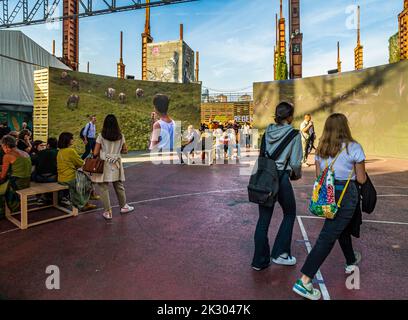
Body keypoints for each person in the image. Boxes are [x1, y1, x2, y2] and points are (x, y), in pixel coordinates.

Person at [293, 113, 367, 300]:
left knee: (339, 228)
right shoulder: (354, 147)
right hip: (346, 194)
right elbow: (361, 179)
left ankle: (350, 260)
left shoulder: (321, 149)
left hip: (329, 192)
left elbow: (320, 177)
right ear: (345, 127)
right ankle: (305, 280)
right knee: (327, 236)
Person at [251, 102, 303, 271]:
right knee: (289, 213)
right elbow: (295, 163)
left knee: (263, 220)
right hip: (281, 177)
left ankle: (259, 261)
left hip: (266, 178)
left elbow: (262, 154)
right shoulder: (294, 134)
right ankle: (281, 254)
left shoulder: (267, 132)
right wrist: (296, 175)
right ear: (290, 117)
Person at [92, 114, 134, 220]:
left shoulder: (101, 136)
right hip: (116, 163)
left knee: (103, 187)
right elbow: (125, 151)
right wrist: (116, 152)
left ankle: (108, 212)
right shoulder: (121, 136)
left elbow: (95, 152)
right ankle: (123, 206)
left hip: (104, 163)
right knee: (118, 185)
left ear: (105, 123)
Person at [57, 132, 97, 211]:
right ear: (67, 140)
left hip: (61, 178)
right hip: (70, 178)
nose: (73, 140)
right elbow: (81, 163)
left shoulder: (60, 151)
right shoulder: (70, 151)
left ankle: (83, 201)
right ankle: (85, 202)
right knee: (89, 179)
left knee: (80, 179)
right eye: (71, 138)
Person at [0, 135, 32, 219]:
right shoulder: (25, 153)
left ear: (5, 146)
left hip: (17, 184)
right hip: (27, 182)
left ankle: (2, 212)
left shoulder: (7, 155)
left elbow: (2, 176)